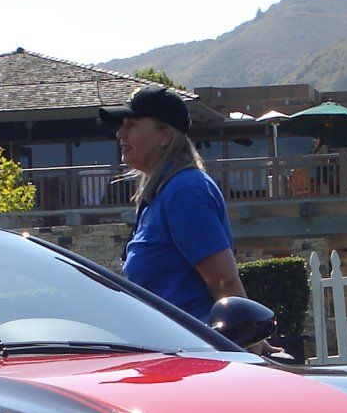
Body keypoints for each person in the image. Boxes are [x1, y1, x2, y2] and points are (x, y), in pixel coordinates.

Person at [103, 85, 262, 328]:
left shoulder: (185, 191)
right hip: (172, 345)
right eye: (122, 124)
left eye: (132, 125)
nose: (120, 134)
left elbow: (224, 282)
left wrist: (250, 338)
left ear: (165, 136)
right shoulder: (162, 192)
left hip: (193, 348)